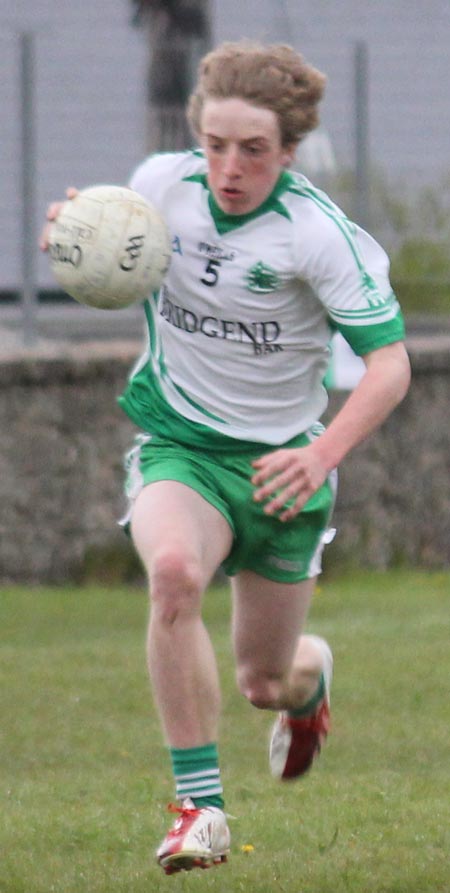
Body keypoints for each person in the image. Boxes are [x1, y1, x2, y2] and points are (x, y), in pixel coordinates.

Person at [41, 40, 411, 875]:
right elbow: (107, 237)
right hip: (181, 446)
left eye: (252, 150)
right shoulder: (158, 188)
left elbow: (391, 365)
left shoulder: (319, 236)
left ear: (288, 149)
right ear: (195, 135)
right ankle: (198, 809)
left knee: (263, 681)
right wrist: (74, 238)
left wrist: (321, 454)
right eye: (214, 145)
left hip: (284, 469)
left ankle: (308, 682)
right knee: (172, 574)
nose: (229, 167)